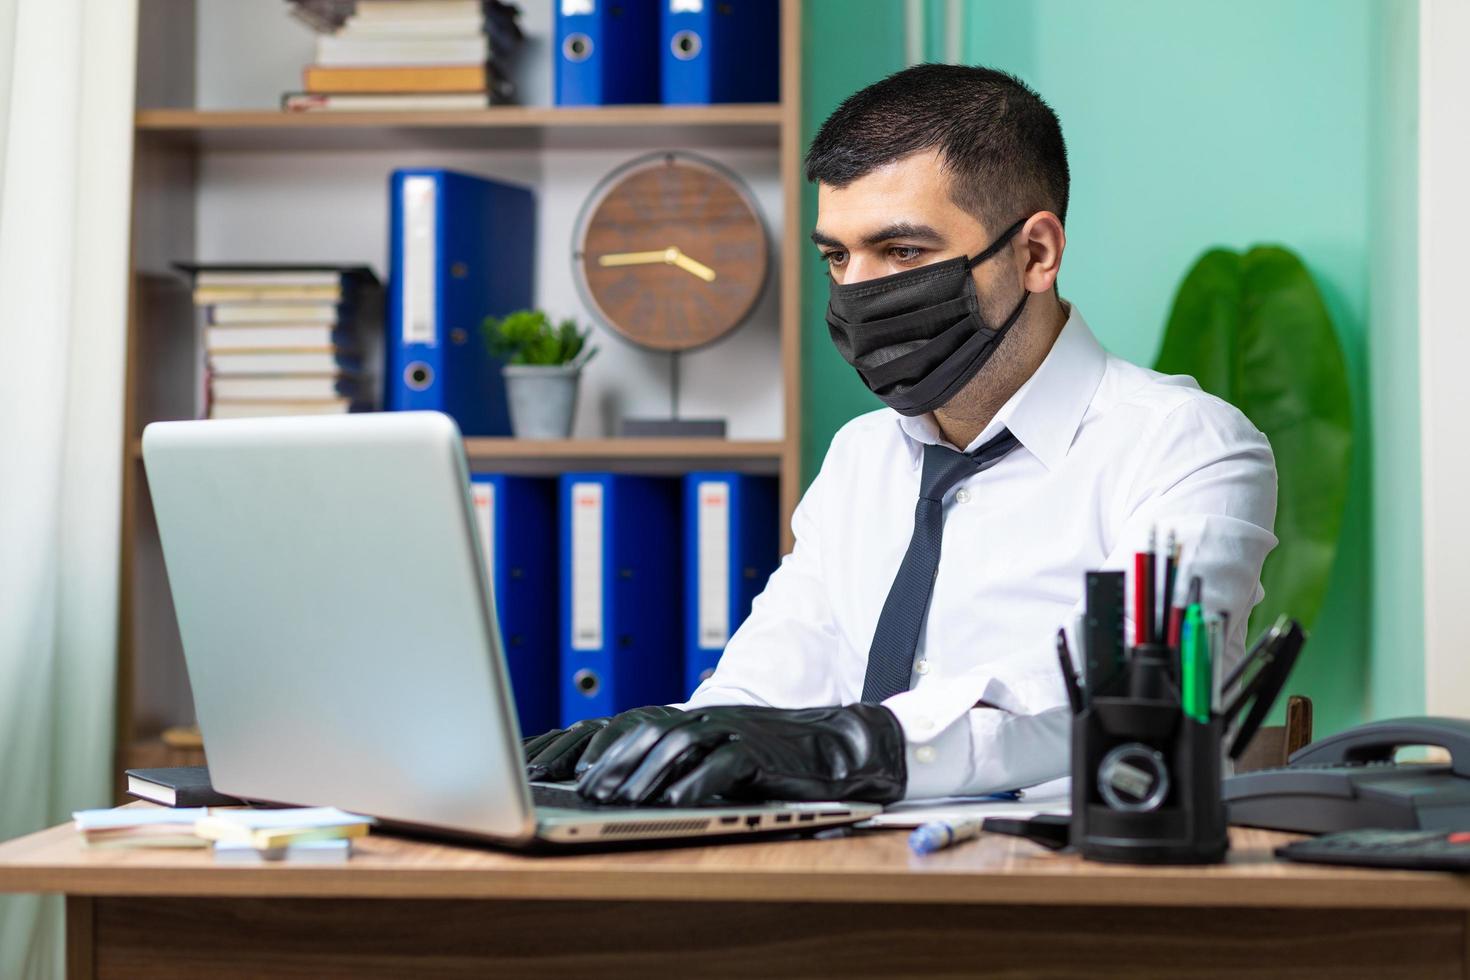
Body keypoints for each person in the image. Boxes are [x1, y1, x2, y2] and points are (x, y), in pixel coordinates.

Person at [522, 64, 1277, 807]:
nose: (858, 293)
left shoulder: (1185, 446)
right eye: (837, 257)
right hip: (847, 887)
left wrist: (857, 749)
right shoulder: (861, 457)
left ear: (1036, 254)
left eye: (904, 252)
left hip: (1074, 898)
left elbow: (1130, 685)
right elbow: (773, 676)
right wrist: (657, 749)